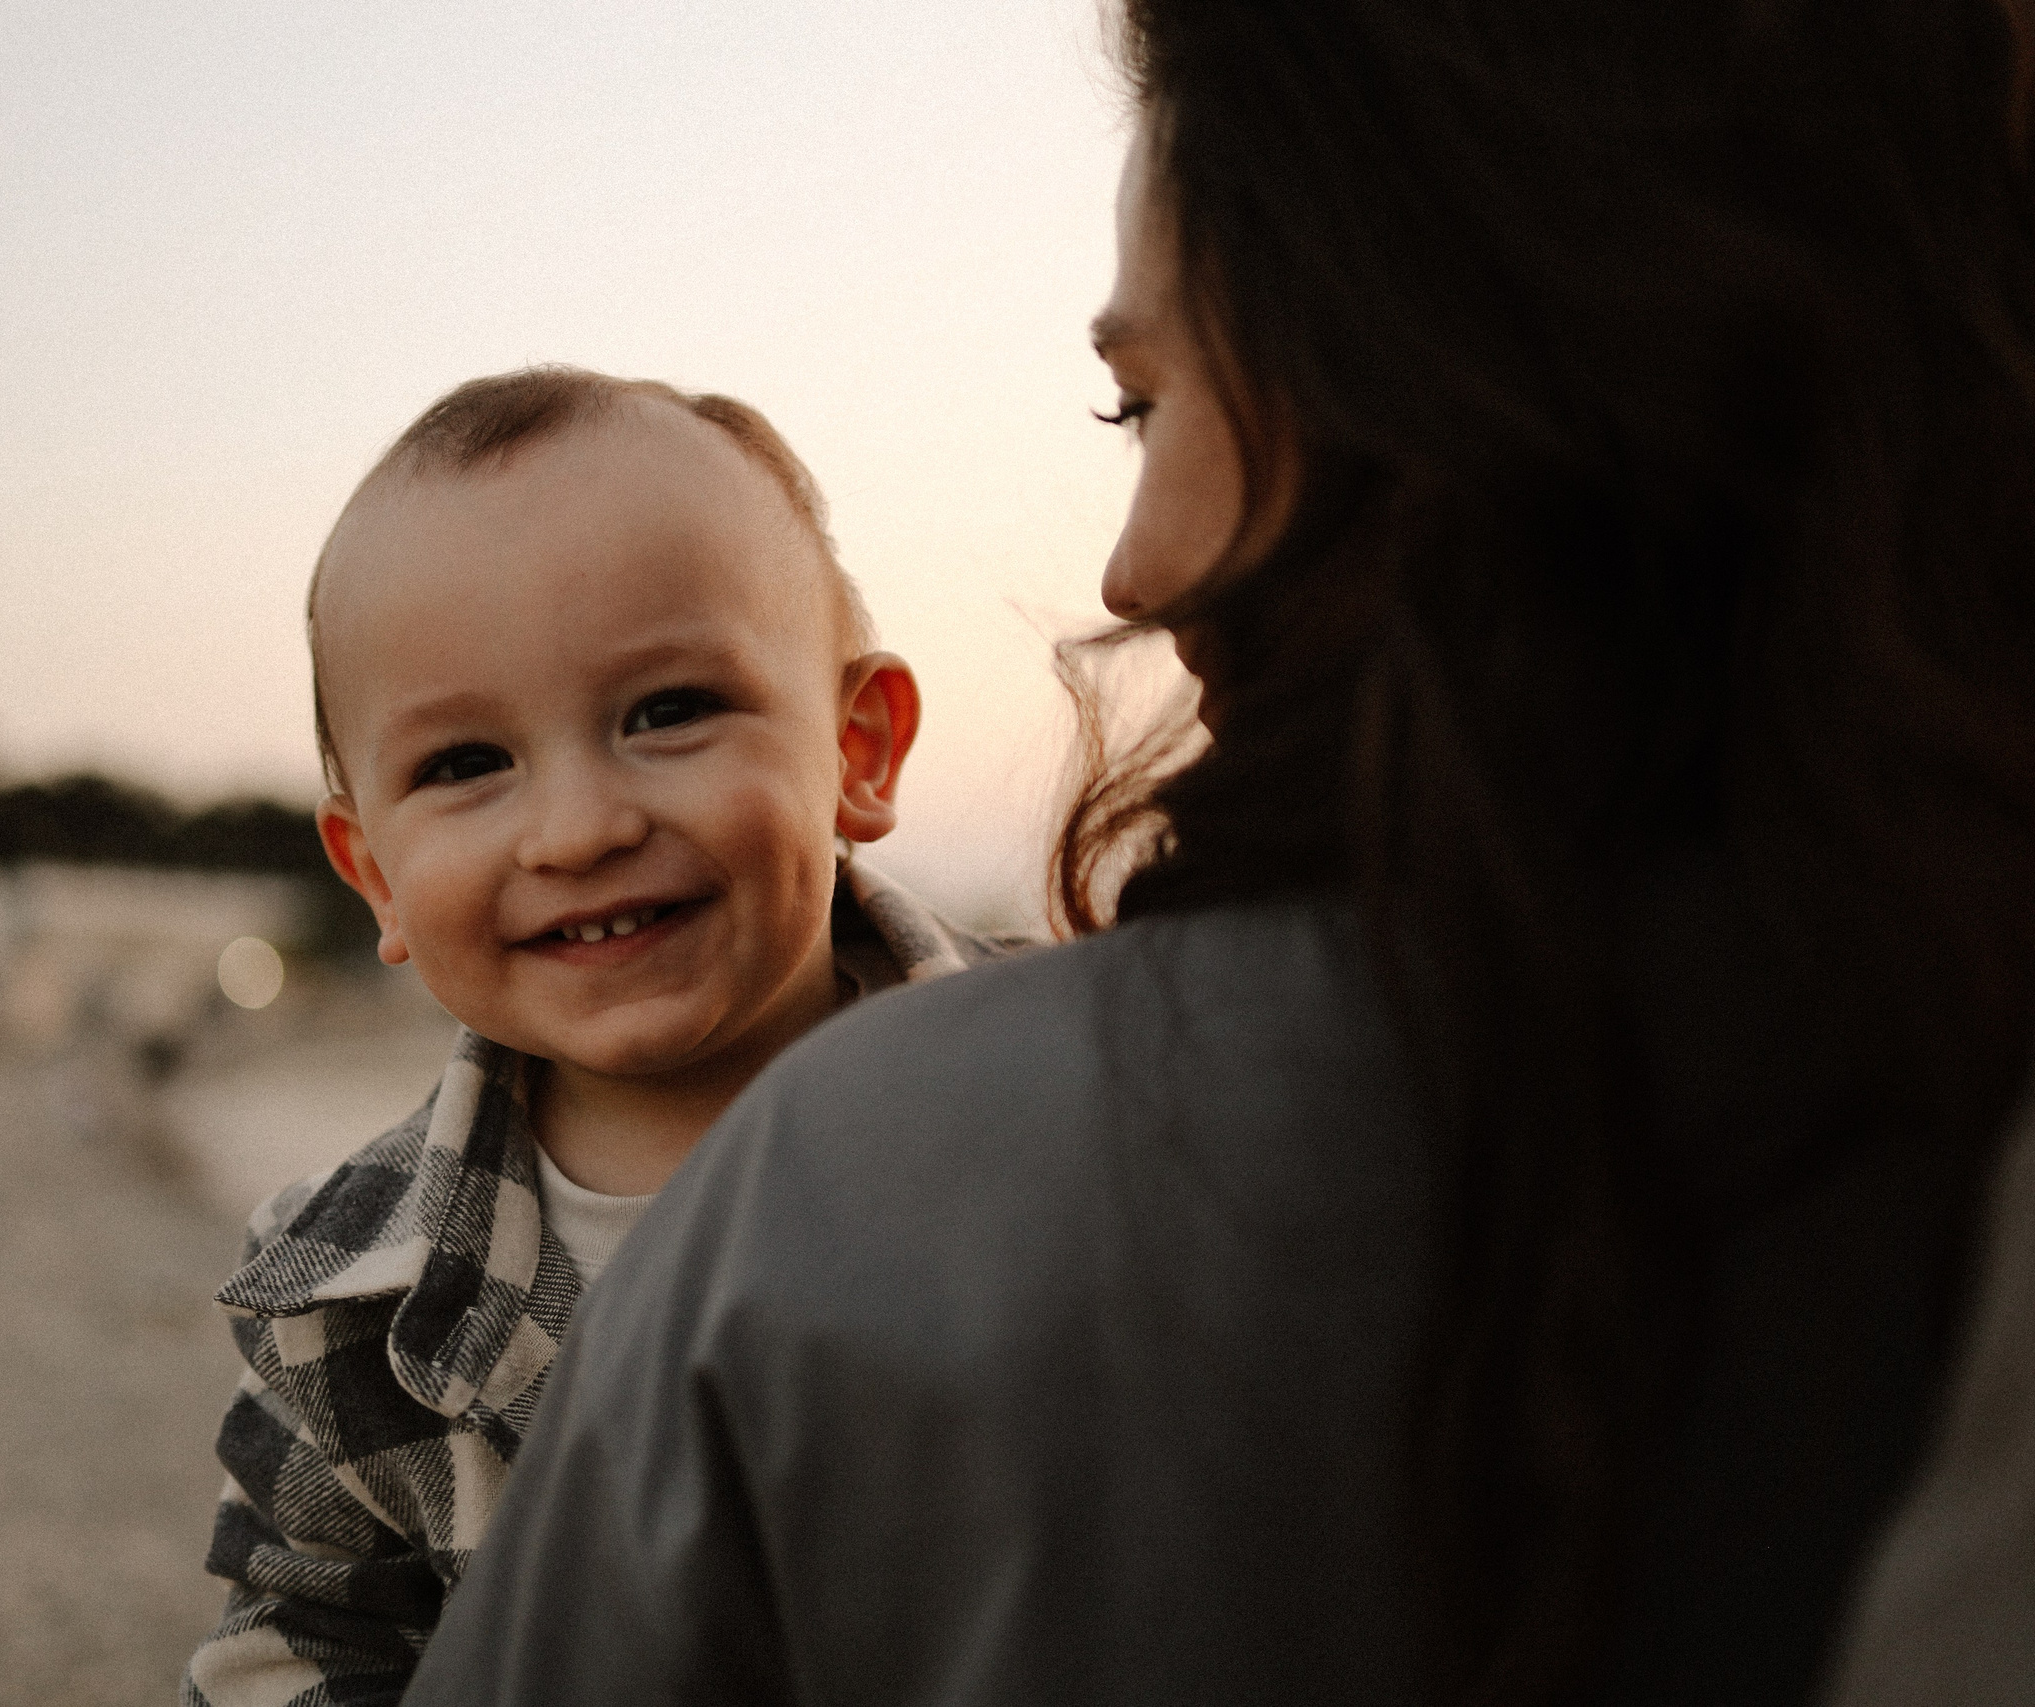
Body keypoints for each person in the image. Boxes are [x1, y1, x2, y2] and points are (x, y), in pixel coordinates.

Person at [401, 5, 2035, 1705]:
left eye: (1147, 403)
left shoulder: (865, 1194)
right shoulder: (1960, 1097)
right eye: (464, 762)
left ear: (1450, 381)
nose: (1134, 568)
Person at [181, 368, 1013, 1707]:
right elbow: (303, 1644)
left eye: (668, 711)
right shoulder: (342, 1299)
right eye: (464, 766)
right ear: (376, 875)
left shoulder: (1072, 1109)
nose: (579, 829)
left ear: (858, 748)